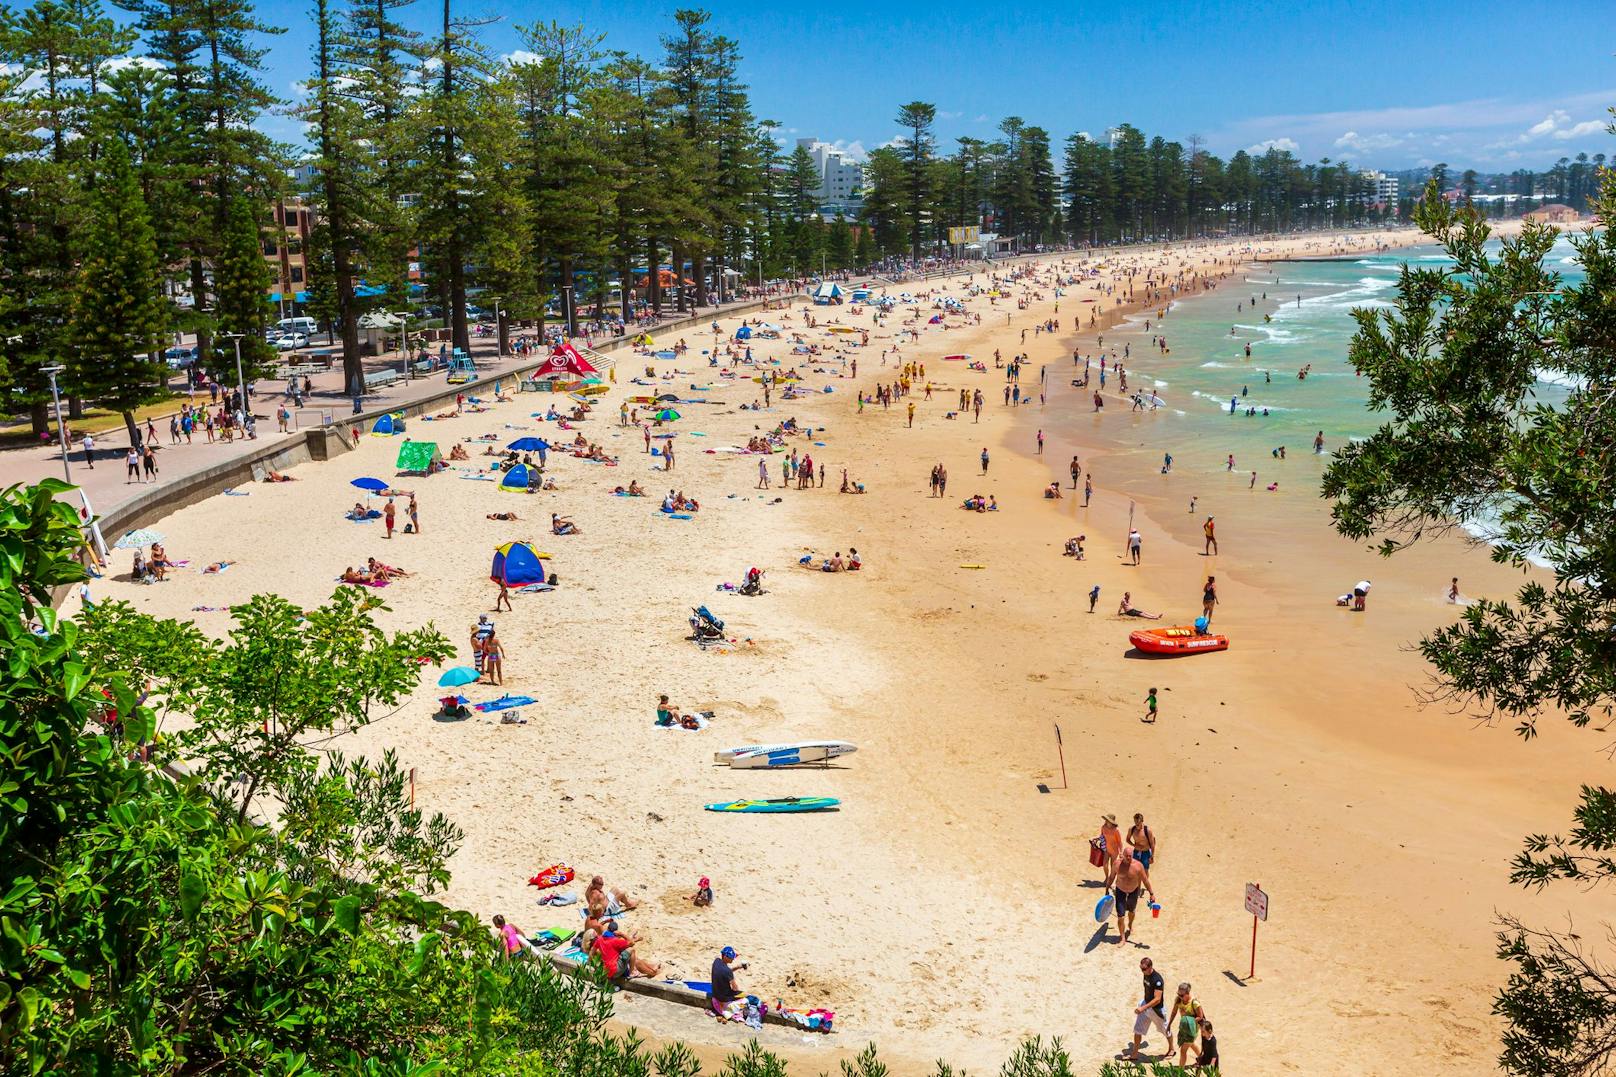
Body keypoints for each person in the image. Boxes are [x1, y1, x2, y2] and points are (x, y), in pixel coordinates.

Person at [1125, 958, 1169, 1062]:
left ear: (1150, 967)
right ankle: (1134, 1054)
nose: (1142, 971)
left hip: (1156, 1009)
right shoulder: (1146, 973)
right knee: (1137, 1030)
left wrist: (1142, 1008)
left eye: (1144, 969)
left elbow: (1157, 999)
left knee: (1166, 1030)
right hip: (1145, 1005)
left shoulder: (1157, 980)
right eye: (1141, 968)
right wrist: (1144, 1006)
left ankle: (1171, 1049)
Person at [1112, 854, 1155, 945]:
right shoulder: (1117, 864)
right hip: (1120, 890)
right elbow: (1112, 876)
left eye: (1130, 856)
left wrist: (1151, 893)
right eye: (1126, 856)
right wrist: (1107, 888)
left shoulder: (1138, 866)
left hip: (1133, 891)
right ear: (1122, 855)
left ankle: (1130, 924)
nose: (1128, 858)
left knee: (1132, 911)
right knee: (1121, 916)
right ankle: (1122, 938)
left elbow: (1145, 880)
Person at [1167, 983, 1208, 1070]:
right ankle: (1203, 1059)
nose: (1180, 996)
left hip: (1192, 1029)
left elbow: (1200, 1017)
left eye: (1182, 995)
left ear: (1188, 993)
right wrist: (1169, 1024)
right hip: (1184, 1028)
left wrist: (1189, 1021)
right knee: (1192, 1044)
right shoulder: (1178, 1000)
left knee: (1183, 1050)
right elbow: (1174, 1012)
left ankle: (1181, 1071)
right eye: (1178, 994)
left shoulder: (1195, 1003)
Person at [710, 946, 745, 1016]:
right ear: (726, 957)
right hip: (723, 998)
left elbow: (725, 972)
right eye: (731, 957)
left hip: (715, 994)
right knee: (746, 997)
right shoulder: (728, 972)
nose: (732, 959)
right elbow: (735, 988)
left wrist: (738, 967)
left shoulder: (716, 961)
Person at [1099, 813, 1124, 886]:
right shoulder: (1103, 827)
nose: (1106, 821)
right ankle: (1107, 878)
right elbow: (1102, 836)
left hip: (1114, 851)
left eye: (1107, 820)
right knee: (1105, 865)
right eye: (1106, 820)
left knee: (1113, 867)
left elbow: (1119, 842)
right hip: (1107, 849)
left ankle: (1111, 880)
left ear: (1111, 822)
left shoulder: (1116, 830)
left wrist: (1121, 852)